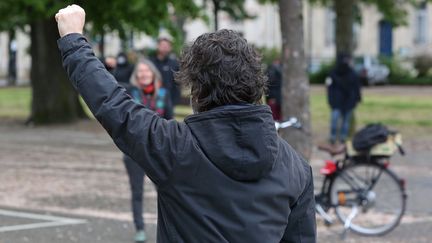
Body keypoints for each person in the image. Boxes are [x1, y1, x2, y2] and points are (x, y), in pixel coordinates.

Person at [55, 5, 316, 243]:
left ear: (197, 91)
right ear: (256, 84)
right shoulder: (296, 167)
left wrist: (74, 42)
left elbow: (114, 106)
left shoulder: (175, 149)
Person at [123, 58, 172, 242]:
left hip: (158, 151)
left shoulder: (163, 94)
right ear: (136, 76)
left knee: (165, 190)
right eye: (140, 72)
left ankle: (167, 227)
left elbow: (169, 119)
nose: (143, 74)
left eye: (147, 71)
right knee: (137, 191)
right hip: (134, 151)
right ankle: (140, 228)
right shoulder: (129, 93)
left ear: (153, 73)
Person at [326, 53, 362, 144]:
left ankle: (343, 138)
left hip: (348, 102)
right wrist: (330, 100)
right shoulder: (333, 73)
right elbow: (329, 88)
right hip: (336, 102)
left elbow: (356, 87)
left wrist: (357, 99)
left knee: (346, 122)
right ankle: (333, 137)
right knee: (334, 121)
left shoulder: (352, 73)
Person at [150, 37, 180, 113]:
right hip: (151, 100)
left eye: (167, 46)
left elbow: (177, 84)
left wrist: (174, 101)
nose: (165, 48)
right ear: (157, 46)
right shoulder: (150, 63)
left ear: (170, 48)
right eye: (163, 46)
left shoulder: (174, 64)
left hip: (169, 101)